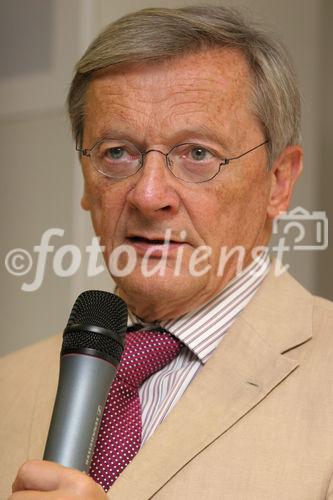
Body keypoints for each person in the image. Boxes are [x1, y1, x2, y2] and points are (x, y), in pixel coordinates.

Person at [1, 5, 333, 499]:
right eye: (117, 152)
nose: (148, 194)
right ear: (87, 182)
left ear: (278, 183)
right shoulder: (8, 383)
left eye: (198, 154)